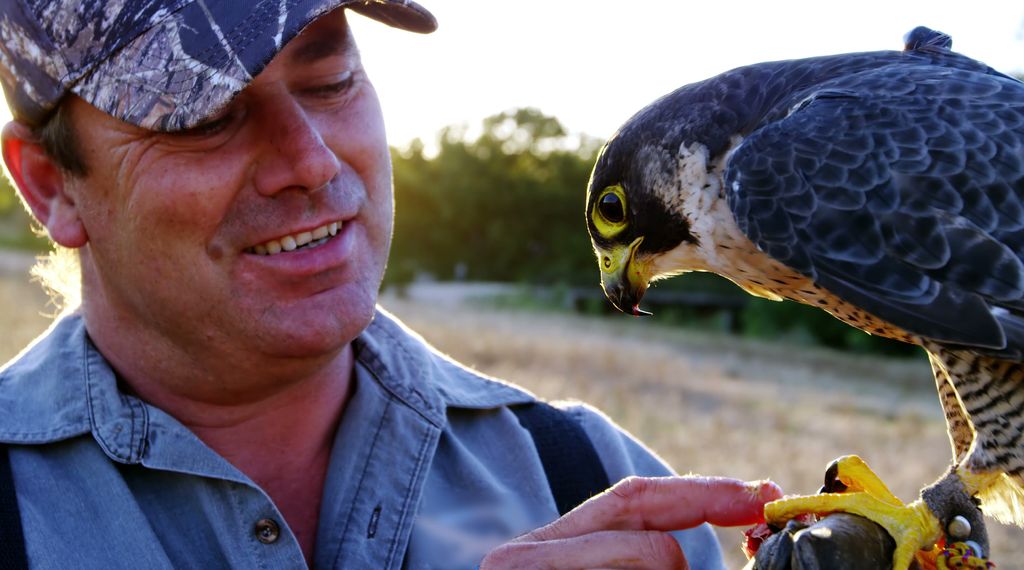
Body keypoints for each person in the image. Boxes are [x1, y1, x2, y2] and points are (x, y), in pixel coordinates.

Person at [0, 1, 781, 568]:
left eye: (332, 80)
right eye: (203, 118)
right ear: (50, 186)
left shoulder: (585, 476)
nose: (310, 161)